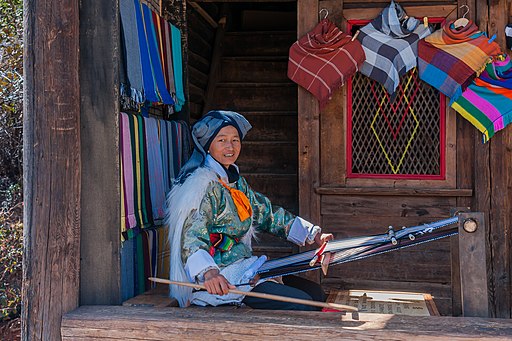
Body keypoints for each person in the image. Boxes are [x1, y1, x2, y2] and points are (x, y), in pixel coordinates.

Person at [166, 110, 333, 309]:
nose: (230, 147)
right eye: (222, 140)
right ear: (207, 146)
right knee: (302, 305)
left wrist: (313, 234)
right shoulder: (202, 186)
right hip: (221, 277)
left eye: (235, 140)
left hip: (245, 268)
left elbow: (267, 214)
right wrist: (208, 273)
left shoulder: (236, 183)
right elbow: (192, 236)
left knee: (316, 294)